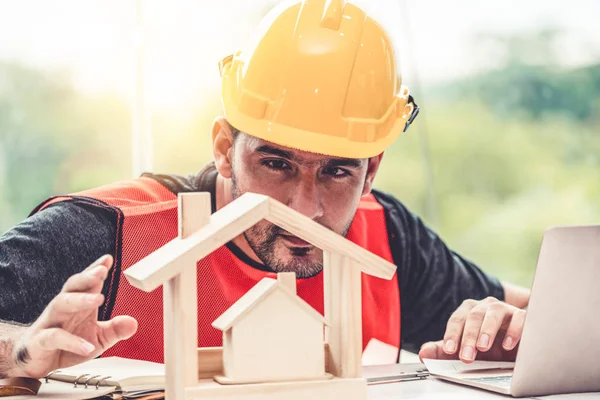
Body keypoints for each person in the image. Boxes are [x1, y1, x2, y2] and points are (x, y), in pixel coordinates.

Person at [0, 0, 530, 380]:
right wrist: (19, 349)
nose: (306, 208)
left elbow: (548, 314)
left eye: (337, 172)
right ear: (223, 146)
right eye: (276, 163)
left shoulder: (386, 235)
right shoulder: (105, 233)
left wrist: (519, 328)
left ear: (371, 171)